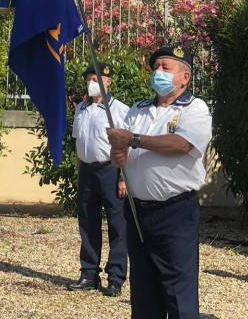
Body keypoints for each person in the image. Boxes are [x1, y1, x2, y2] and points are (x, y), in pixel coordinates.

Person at [107, 45, 212, 319]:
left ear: (184, 78)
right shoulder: (138, 110)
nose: (158, 72)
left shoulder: (195, 109)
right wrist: (118, 152)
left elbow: (181, 143)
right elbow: (124, 153)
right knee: (143, 293)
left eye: (166, 67)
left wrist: (132, 139)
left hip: (174, 212)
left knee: (179, 293)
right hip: (137, 210)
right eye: (156, 67)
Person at [67, 64, 129, 297]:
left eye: (98, 78)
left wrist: (123, 177)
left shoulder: (119, 110)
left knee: (117, 225)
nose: (93, 82)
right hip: (87, 171)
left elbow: (125, 146)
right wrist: (79, 168)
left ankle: (115, 277)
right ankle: (89, 273)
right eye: (90, 78)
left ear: (108, 82)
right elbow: (78, 140)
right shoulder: (81, 108)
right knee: (87, 222)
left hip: (111, 171)